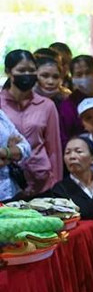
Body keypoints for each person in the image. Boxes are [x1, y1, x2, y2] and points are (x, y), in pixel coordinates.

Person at [0, 49, 63, 197]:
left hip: (42, 180)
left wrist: (58, 186)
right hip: (9, 183)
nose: (27, 75)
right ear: (9, 72)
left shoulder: (46, 105)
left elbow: (53, 149)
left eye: (31, 70)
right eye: (21, 70)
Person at [34, 54, 82, 150]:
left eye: (55, 77)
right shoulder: (24, 103)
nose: (50, 82)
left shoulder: (67, 105)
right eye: (45, 76)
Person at [0, 110, 32, 202]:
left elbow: (26, 147)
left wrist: (5, 152)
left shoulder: (1, 114)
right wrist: (10, 154)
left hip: (9, 192)